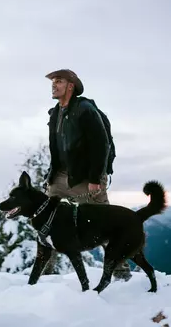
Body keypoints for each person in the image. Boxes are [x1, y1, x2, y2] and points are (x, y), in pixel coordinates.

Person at [43, 68, 132, 281]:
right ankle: (46, 270)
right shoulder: (55, 112)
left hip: (86, 178)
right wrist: (51, 175)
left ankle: (121, 272)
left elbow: (101, 145)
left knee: (103, 224)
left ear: (71, 86)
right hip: (61, 176)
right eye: (52, 82)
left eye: (59, 81)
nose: (53, 85)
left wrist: (95, 179)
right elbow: (57, 147)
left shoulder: (85, 109)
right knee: (47, 218)